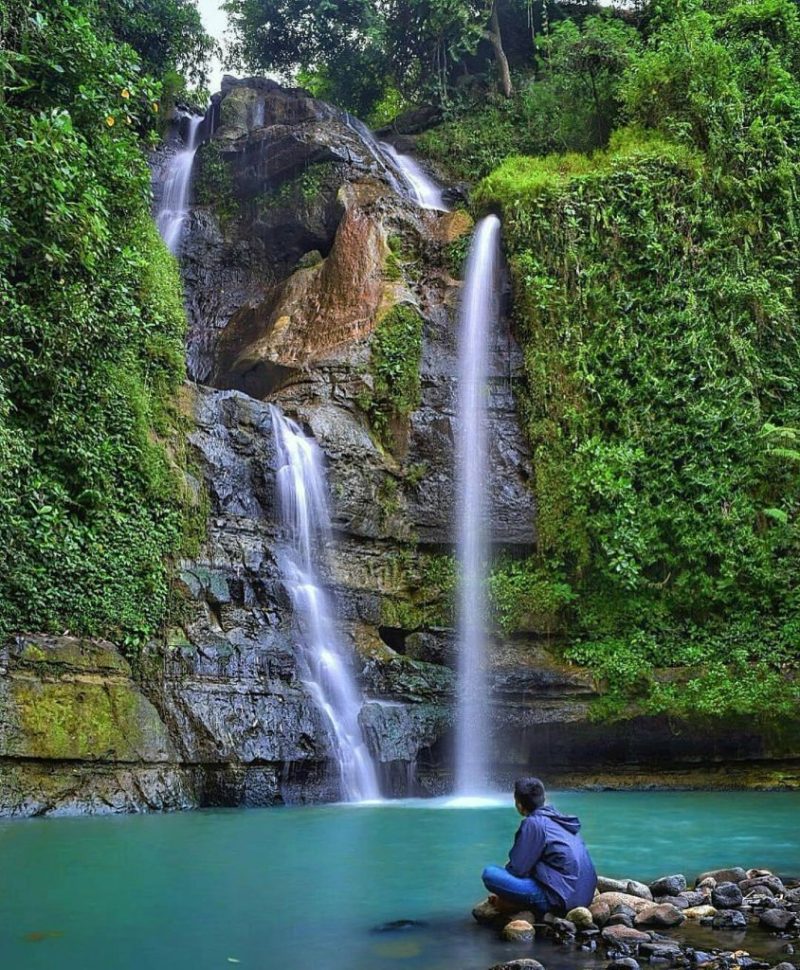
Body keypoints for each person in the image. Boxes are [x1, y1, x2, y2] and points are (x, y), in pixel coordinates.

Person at [482, 776, 597, 915]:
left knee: (490, 873)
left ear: (518, 804)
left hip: (560, 899)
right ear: (544, 797)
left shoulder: (533, 823)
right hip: (585, 895)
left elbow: (517, 869)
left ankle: (519, 905)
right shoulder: (560, 819)